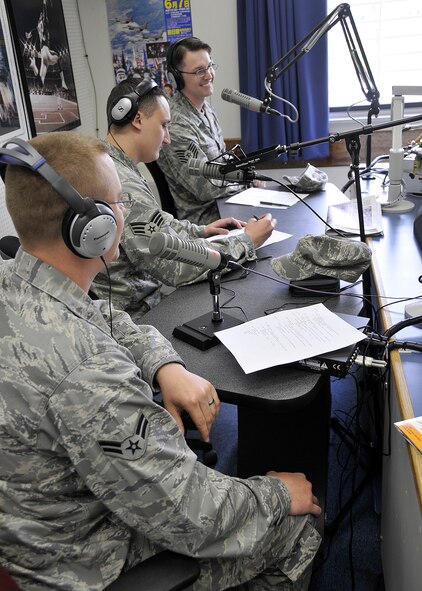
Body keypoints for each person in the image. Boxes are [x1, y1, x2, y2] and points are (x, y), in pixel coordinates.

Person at [0, 131, 321, 590]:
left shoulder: (18, 275)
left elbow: (108, 319)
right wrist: (275, 493)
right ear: (90, 226)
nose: (126, 213)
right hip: (90, 562)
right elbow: (191, 513)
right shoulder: (89, 375)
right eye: (119, 203)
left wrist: (164, 365)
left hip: (32, 526)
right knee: (297, 524)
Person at [92, 77, 276, 322]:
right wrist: (246, 241)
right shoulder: (122, 183)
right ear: (137, 120)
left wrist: (201, 231)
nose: (167, 138)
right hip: (138, 317)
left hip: (145, 299)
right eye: (164, 126)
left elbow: (158, 224)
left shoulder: (114, 163)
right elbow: (174, 266)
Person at [158, 36, 253, 225]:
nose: (209, 75)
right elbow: (207, 187)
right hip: (205, 222)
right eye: (199, 71)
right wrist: (245, 179)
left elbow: (223, 160)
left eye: (210, 66)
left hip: (228, 204)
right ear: (176, 78)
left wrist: (248, 180)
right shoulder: (175, 124)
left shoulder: (206, 109)